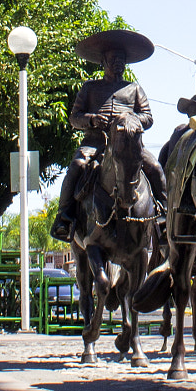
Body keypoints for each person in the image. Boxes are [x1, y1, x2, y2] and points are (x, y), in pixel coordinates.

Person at [50, 28, 166, 242]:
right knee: (77, 166)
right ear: (103, 61)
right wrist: (93, 120)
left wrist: (129, 121)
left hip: (128, 145)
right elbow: (74, 117)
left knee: (156, 168)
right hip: (95, 144)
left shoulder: (134, 89)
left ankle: (164, 215)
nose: (118, 63)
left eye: (121, 60)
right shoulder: (90, 88)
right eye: (113, 59)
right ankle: (64, 217)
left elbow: (148, 118)